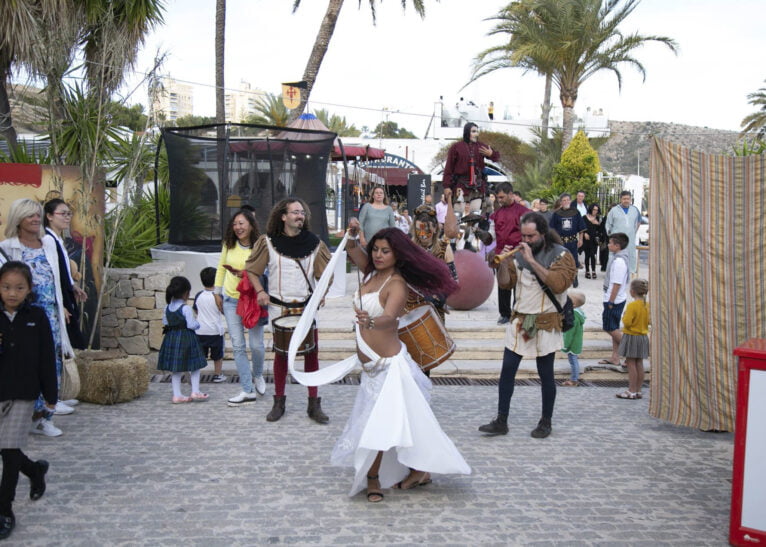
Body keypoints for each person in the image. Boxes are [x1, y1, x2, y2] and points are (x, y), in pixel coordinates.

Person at [338, 226, 471, 501]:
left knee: (379, 425)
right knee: (408, 422)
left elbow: (390, 317)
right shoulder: (372, 272)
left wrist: (370, 321)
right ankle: (421, 470)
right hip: (371, 369)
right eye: (375, 249)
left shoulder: (396, 283)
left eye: (385, 251)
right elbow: (353, 250)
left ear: (397, 255)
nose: (378, 255)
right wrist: (353, 233)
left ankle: (373, 479)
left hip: (390, 367)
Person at [479, 212, 577, 439]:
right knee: (507, 370)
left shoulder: (561, 255)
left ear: (542, 233)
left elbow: (559, 284)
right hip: (522, 321)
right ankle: (501, 420)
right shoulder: (518, 255)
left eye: (531, 236)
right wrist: (502, 264)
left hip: (546, 321)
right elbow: (506, 283)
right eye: (523, 235)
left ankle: (546, 421)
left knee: (546, 374)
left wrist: (532, 260)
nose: (526, 240)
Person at [245, 198, 332, 424]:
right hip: (279, 309)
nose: (300, 216)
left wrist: (321, 293)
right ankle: (279, 401)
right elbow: (252, 270)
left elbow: (326, 275)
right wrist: (260, 291)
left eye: (302, 212)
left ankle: (314, 403)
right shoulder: (268, 243)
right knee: (281, 356)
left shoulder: (315, 243)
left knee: (311, 354)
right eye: (295, 212)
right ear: (283, 216)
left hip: (306, 308)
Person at [0, 199, 72, 437]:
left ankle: (46, 415)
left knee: (51, 362)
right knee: (24, 363)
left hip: (49, 314)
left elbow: (56, 279)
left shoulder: (48, 243)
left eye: (36, 215)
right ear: (18, 218)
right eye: (29, 215)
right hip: (22, 316)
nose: (34, 219)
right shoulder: (8, 247)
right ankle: (25, 413)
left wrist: (61, 306)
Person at [0, 261, 57, 541]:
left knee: (9, 452)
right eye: (6, 287)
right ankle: (35, 470)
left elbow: (47, 357)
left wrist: (51, 396)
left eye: (19, 288)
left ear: (29, 289)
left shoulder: (37, 316)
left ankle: (4, 510)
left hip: (23, 392)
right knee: (4, 449)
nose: (12, 293)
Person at [215, 210, 266, 406]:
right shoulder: (228, 244)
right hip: (230, 300)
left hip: (253, 299)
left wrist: (244, 273)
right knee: (237, 346)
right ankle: (247, 389)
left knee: (256, 345)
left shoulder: (260, 245)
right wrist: (217, 292)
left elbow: (265, 269)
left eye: (242, 223)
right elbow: (221, 267)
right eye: (235, 223)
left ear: (251, 225)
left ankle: (259, 374)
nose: (238, 227)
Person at [43, 199, 88, 352]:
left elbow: (61, 270)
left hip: (66, 293)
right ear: (49, 216)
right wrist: (59, 303)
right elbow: (50, 274)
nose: (67, 217)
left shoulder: (57, 239)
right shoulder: (47, 240)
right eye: (62, 213)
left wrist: (72, 285)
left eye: (69, 214)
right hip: (59, 296)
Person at [408, 188, 458, 323]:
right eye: (419, 229)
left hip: (436, 308)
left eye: (428, 229)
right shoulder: (409, 249)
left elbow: (453, 280)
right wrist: (423, 295)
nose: (423, 234)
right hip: (412, 309)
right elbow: (401, 280)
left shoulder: (444, 248)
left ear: (436, 228)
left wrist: (442, 296)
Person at [157, 276, 209, 403]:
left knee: (176, 369)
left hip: (172, 337)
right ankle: (195, 391)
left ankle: (177, 395)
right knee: (195, 366)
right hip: (187, 338)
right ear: (186, 293)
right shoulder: (185, 308)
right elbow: (191, 325)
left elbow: (165, 321)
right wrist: (198, 324)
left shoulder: (167, 307)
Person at [489, 182, 529, 324]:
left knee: (519, 285)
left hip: (519, 253)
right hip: (501, 254)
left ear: (511, 194)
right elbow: (491, 236)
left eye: (502, 197)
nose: (499, 200)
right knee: (503, 284)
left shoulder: (524, 212)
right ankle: (504, 314)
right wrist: (482, 234)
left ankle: (517, 312)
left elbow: (530, 233)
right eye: (497, 198)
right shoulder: (496, 214)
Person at [442, 122, 499, 216]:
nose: (476, 134)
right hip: (461, 184)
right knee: (457, 215)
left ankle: (472, 230)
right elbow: (449, 168)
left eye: (477, 131)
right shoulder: (456, 147)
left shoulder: (481, 146)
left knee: (475, 215)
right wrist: (447, 186)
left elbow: (496, 157)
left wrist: (491, 154)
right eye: (473, 131)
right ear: (467, 132)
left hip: (478, 186)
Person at [600, 233, 630, 368]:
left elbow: (616, 283)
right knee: (614, 327)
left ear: (617, 246)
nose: (608, 245)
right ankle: (615, 357)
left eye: (610, 243)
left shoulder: (619, 261)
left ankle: (630, 353)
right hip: (615, 298)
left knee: (609, 327)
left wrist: (610, 301)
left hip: (615, 299)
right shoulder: (617, 258)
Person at [616, 279, 650, 399]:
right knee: (639, 363)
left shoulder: (632, 305)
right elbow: (650, 321)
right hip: (643, 336)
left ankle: (631, 390)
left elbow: (627, 322)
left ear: (633, 291)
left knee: (631, 364)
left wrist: (624, 315)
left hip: (632, 336)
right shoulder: (647, 305)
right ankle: (639, 390)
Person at [193, 267, 226, 383]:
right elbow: (223, 311)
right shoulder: (218, 296)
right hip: (215, 331)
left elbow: (196, 310)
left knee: (200, 354)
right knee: (217, 355)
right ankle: (218, 374)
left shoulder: (198, 295)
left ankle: (195, 374)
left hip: (200, 331)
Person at [550, 193, 585, 288]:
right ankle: (562, 278)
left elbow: (581, 227)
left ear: (570, 201)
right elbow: (552, 229)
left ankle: (574, 277)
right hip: (560, 242)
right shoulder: (556, 214)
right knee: (560, 260)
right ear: (561, 202)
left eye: (567, 200)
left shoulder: (576, 212)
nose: (566, 202)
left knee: (573, 259)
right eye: (564, 200)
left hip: (572, 241)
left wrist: (580, 239)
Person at [605, 191, 642, 274]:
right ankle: (613, 274)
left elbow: (638, 221)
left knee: (630, 257)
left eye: (628, 199)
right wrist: (611, 236)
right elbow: (608, 224)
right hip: (617, 240)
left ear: (630, 199)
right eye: (624, 199)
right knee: (614, 258)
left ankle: (629, 274)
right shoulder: (614, 210)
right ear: (620, 199)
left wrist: (633, 232)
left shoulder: (634, 210)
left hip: (630, 239)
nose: (626, 200)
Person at [561, 291, 586, 387]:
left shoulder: (574, 316)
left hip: (573, 344)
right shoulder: (579, 313)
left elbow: (569, 333)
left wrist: (565, 345)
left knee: (573, 360)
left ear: (573, 304)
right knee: (573, 360)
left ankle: (574, 379)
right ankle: (574, 378)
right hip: (576, 342)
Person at [582, 203, 605, 279]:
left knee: (593, 255)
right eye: (594, 209)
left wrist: (597, 224)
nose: (595, 211)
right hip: (586, 239)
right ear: (591, 209)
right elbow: (581, 227)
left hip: (594, 239)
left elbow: (601, 229)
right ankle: (587, 271)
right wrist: (584, 233)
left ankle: (594, 271)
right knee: (587, 255)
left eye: (597, 210)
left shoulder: (598, 218)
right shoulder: (584, 218)